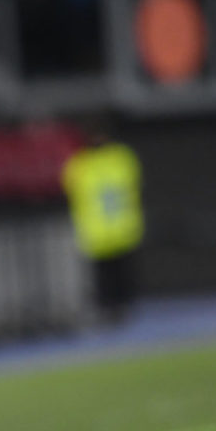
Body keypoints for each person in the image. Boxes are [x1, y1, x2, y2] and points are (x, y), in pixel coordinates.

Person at [61, 126, 144, 323]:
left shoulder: (82, 164)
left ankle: (120, 309)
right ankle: (112, 310)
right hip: (106, 231)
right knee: (106, 277)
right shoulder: (116, 158)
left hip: (113, 230)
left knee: (119, 274)